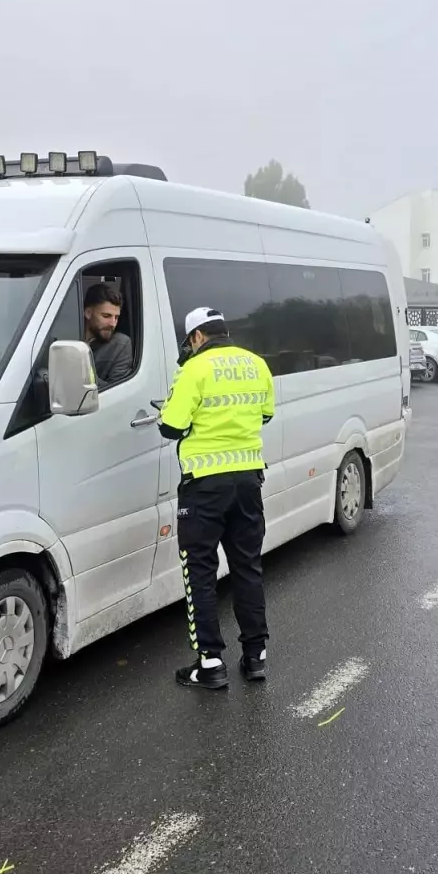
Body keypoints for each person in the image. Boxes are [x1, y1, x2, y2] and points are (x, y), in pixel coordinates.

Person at [158, 307, 275, 690]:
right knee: (247, 568)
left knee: (201, 573)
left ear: (195, 337)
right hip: (247, 483)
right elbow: (265, 415)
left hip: (204, 488)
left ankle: (210, 664)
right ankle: (255, 657)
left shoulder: (193, 369)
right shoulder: (256, 364)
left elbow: (171, 426)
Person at [83, 282, 133, 389]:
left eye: (116, 317)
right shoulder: (68, 337)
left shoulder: (120, 344)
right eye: (106, 316)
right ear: (88, 313)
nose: (113, 323)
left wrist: (86, 374)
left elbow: (118, 390)